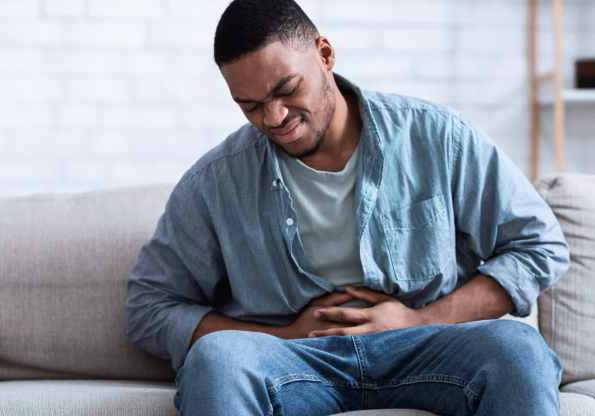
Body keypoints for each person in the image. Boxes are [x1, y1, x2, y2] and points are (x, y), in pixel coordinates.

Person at [125, 1, 569, 415]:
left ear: (325, 53)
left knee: (518, 349)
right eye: (252, 106)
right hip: (294, 359)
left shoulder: (437, 137)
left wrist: (420, 319)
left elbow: (538, 245)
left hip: (428, 345)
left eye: (287, 89)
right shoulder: (215, 182)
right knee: (218, 359)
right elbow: (150, 305)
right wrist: (280, 336)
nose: (275, 118)